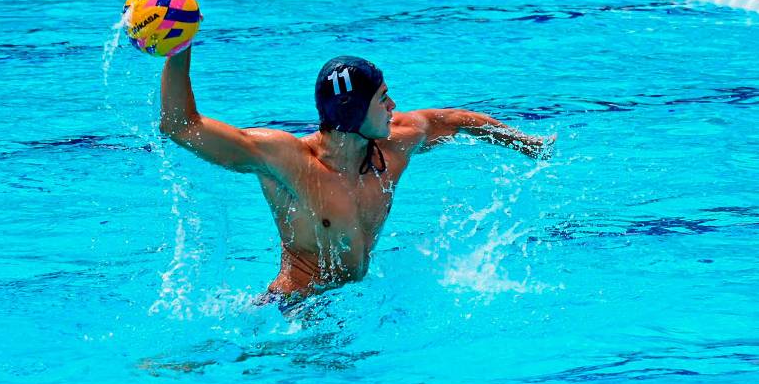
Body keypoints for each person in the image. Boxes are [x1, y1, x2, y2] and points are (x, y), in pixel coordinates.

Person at [159, 47, 554, 305]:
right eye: (382, 99)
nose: (393, 106)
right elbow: (181, 126)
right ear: (352, 112)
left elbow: (451, 121)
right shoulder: (289, 161)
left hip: (353, 303)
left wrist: (526, 145)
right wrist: (179, 50)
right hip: (291, 310)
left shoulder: (392, 146)